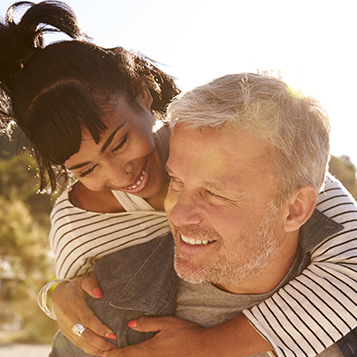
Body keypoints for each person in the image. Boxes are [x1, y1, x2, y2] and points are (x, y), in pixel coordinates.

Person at [0, 2, 356, 356]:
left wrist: (208, 346)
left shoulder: (216, 142)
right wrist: (53, 295)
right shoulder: (77, 225)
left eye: (120, 142)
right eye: (86, 169)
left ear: (142, 95)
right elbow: (80, 300)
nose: (119, 174)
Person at [102, 73, 357, 357]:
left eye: (214, 193)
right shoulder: (106, 313)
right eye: (176, 181)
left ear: (296, 208)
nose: (179, 215)